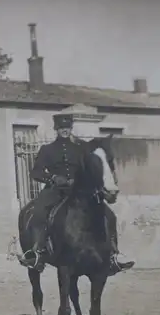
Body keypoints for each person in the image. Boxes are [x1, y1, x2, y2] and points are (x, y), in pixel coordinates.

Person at [19, 113, 134, 275]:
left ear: (71, 128)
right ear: (56, 129)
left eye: (67, 127)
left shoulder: (81, 149)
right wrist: (52, 178)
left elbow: (90, 168)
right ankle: (37, 252)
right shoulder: (47, 150)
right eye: (61, 128)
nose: (65, 131)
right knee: (38, 212)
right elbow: (36, 172)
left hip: (78, 190)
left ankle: (112, 255)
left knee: (109, 214)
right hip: (54, 190)